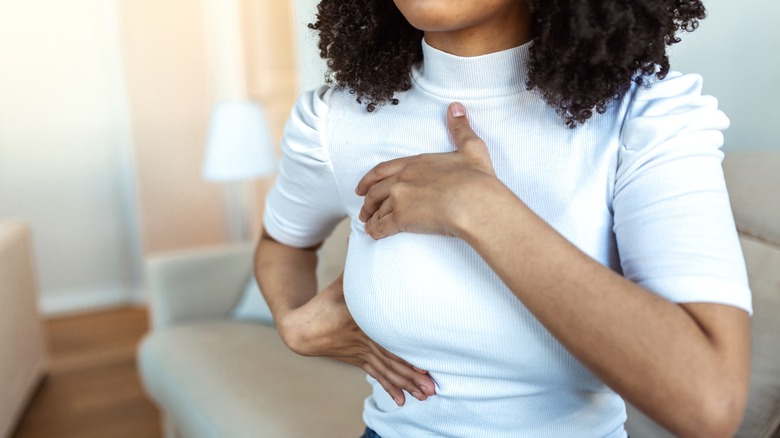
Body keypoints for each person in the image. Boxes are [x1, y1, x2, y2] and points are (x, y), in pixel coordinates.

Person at [254, 0, 752, 436]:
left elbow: (710, 403)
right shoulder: (336, 121)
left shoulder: (646, 116)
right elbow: (283, 245)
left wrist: (478, 206)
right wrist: (293, 324)